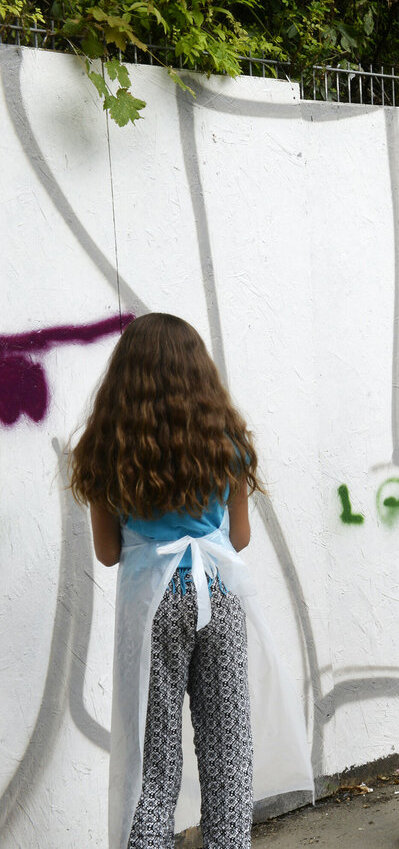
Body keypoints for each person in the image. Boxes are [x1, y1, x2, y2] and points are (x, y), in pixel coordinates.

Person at [69, 313, 312, 849]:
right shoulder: (224, 440)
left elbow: (108, 553)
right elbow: (240, 538)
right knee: (227, 754)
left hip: (151, 605)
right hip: (218, 597)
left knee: (153, 763)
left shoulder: (107, 449)